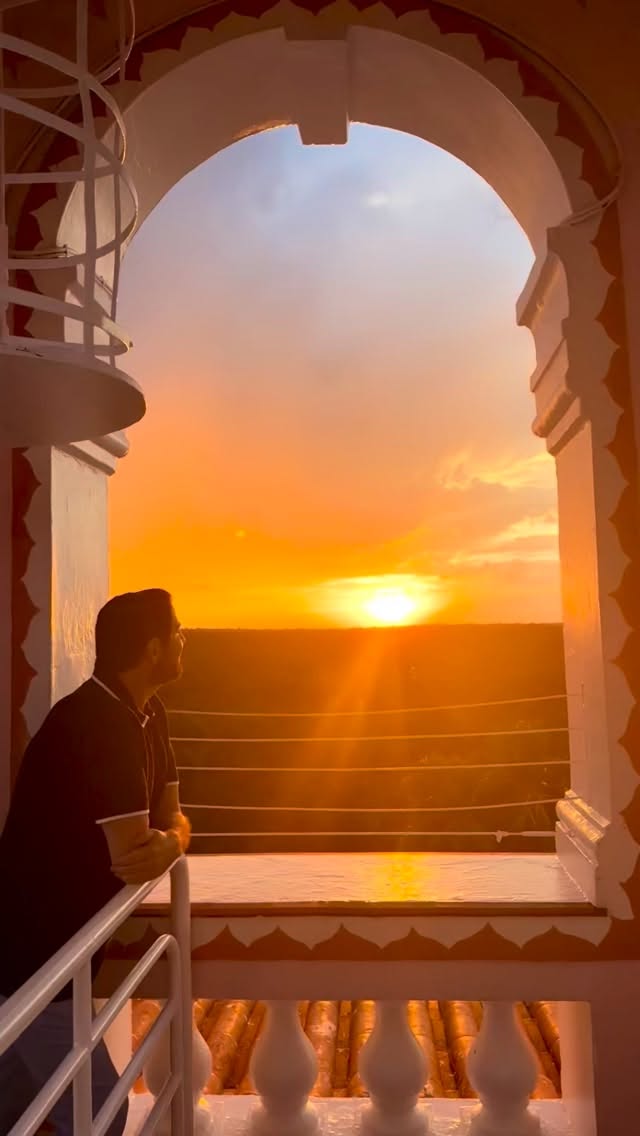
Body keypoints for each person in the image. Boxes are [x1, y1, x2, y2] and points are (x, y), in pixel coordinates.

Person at [0, 589, 191, 1135]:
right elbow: (134, 855)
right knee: (101, 1111)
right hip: (31, 962)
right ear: (153, 649)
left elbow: (173, 817)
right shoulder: (96, 724)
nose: (184, 640)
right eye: (178, 632)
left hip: (48, 958)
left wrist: (174, 841)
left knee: (15, 1105)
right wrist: (170, 842)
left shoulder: (146, 714)